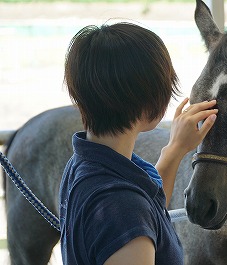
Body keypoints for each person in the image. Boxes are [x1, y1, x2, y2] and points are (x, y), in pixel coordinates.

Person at [59, 22, 218, 265]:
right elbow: (132, 215)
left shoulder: (85, 164)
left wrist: (175, 149)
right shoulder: (121, 208)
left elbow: (148, 212)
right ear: (148, 101)